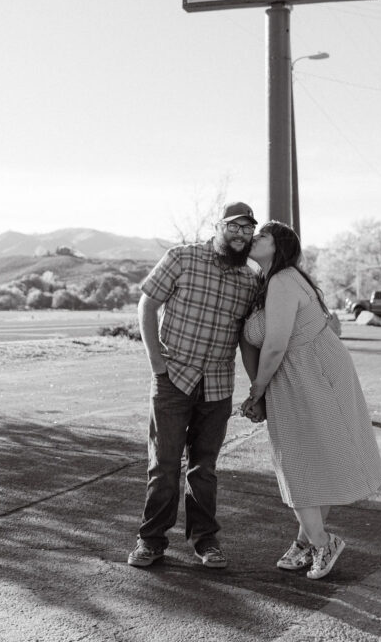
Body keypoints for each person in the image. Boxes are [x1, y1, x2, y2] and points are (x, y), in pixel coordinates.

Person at [241, 221, 381, 580]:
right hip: (302, 374)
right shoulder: (273, 280)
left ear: (279, 246)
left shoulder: (283, 280)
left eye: (262, 236)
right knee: (311, 456)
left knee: (299, 459)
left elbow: (275, 344)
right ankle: (306, 541)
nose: (253, 238)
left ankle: (323, 540)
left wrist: (256, 390)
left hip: (310, 372)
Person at [127, 201, 260, 570]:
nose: (240, 234)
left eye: (247, 229)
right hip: (174, 380)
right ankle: (151, 541)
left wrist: (256, 388)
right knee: (164, 465)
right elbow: (147, 305)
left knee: (204, 468)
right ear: (218, 227)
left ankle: (206, 541)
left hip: (217, 386)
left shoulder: (249, 280)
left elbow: (248, 339)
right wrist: (157, 364)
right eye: (234, 227)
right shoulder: (182, 258)